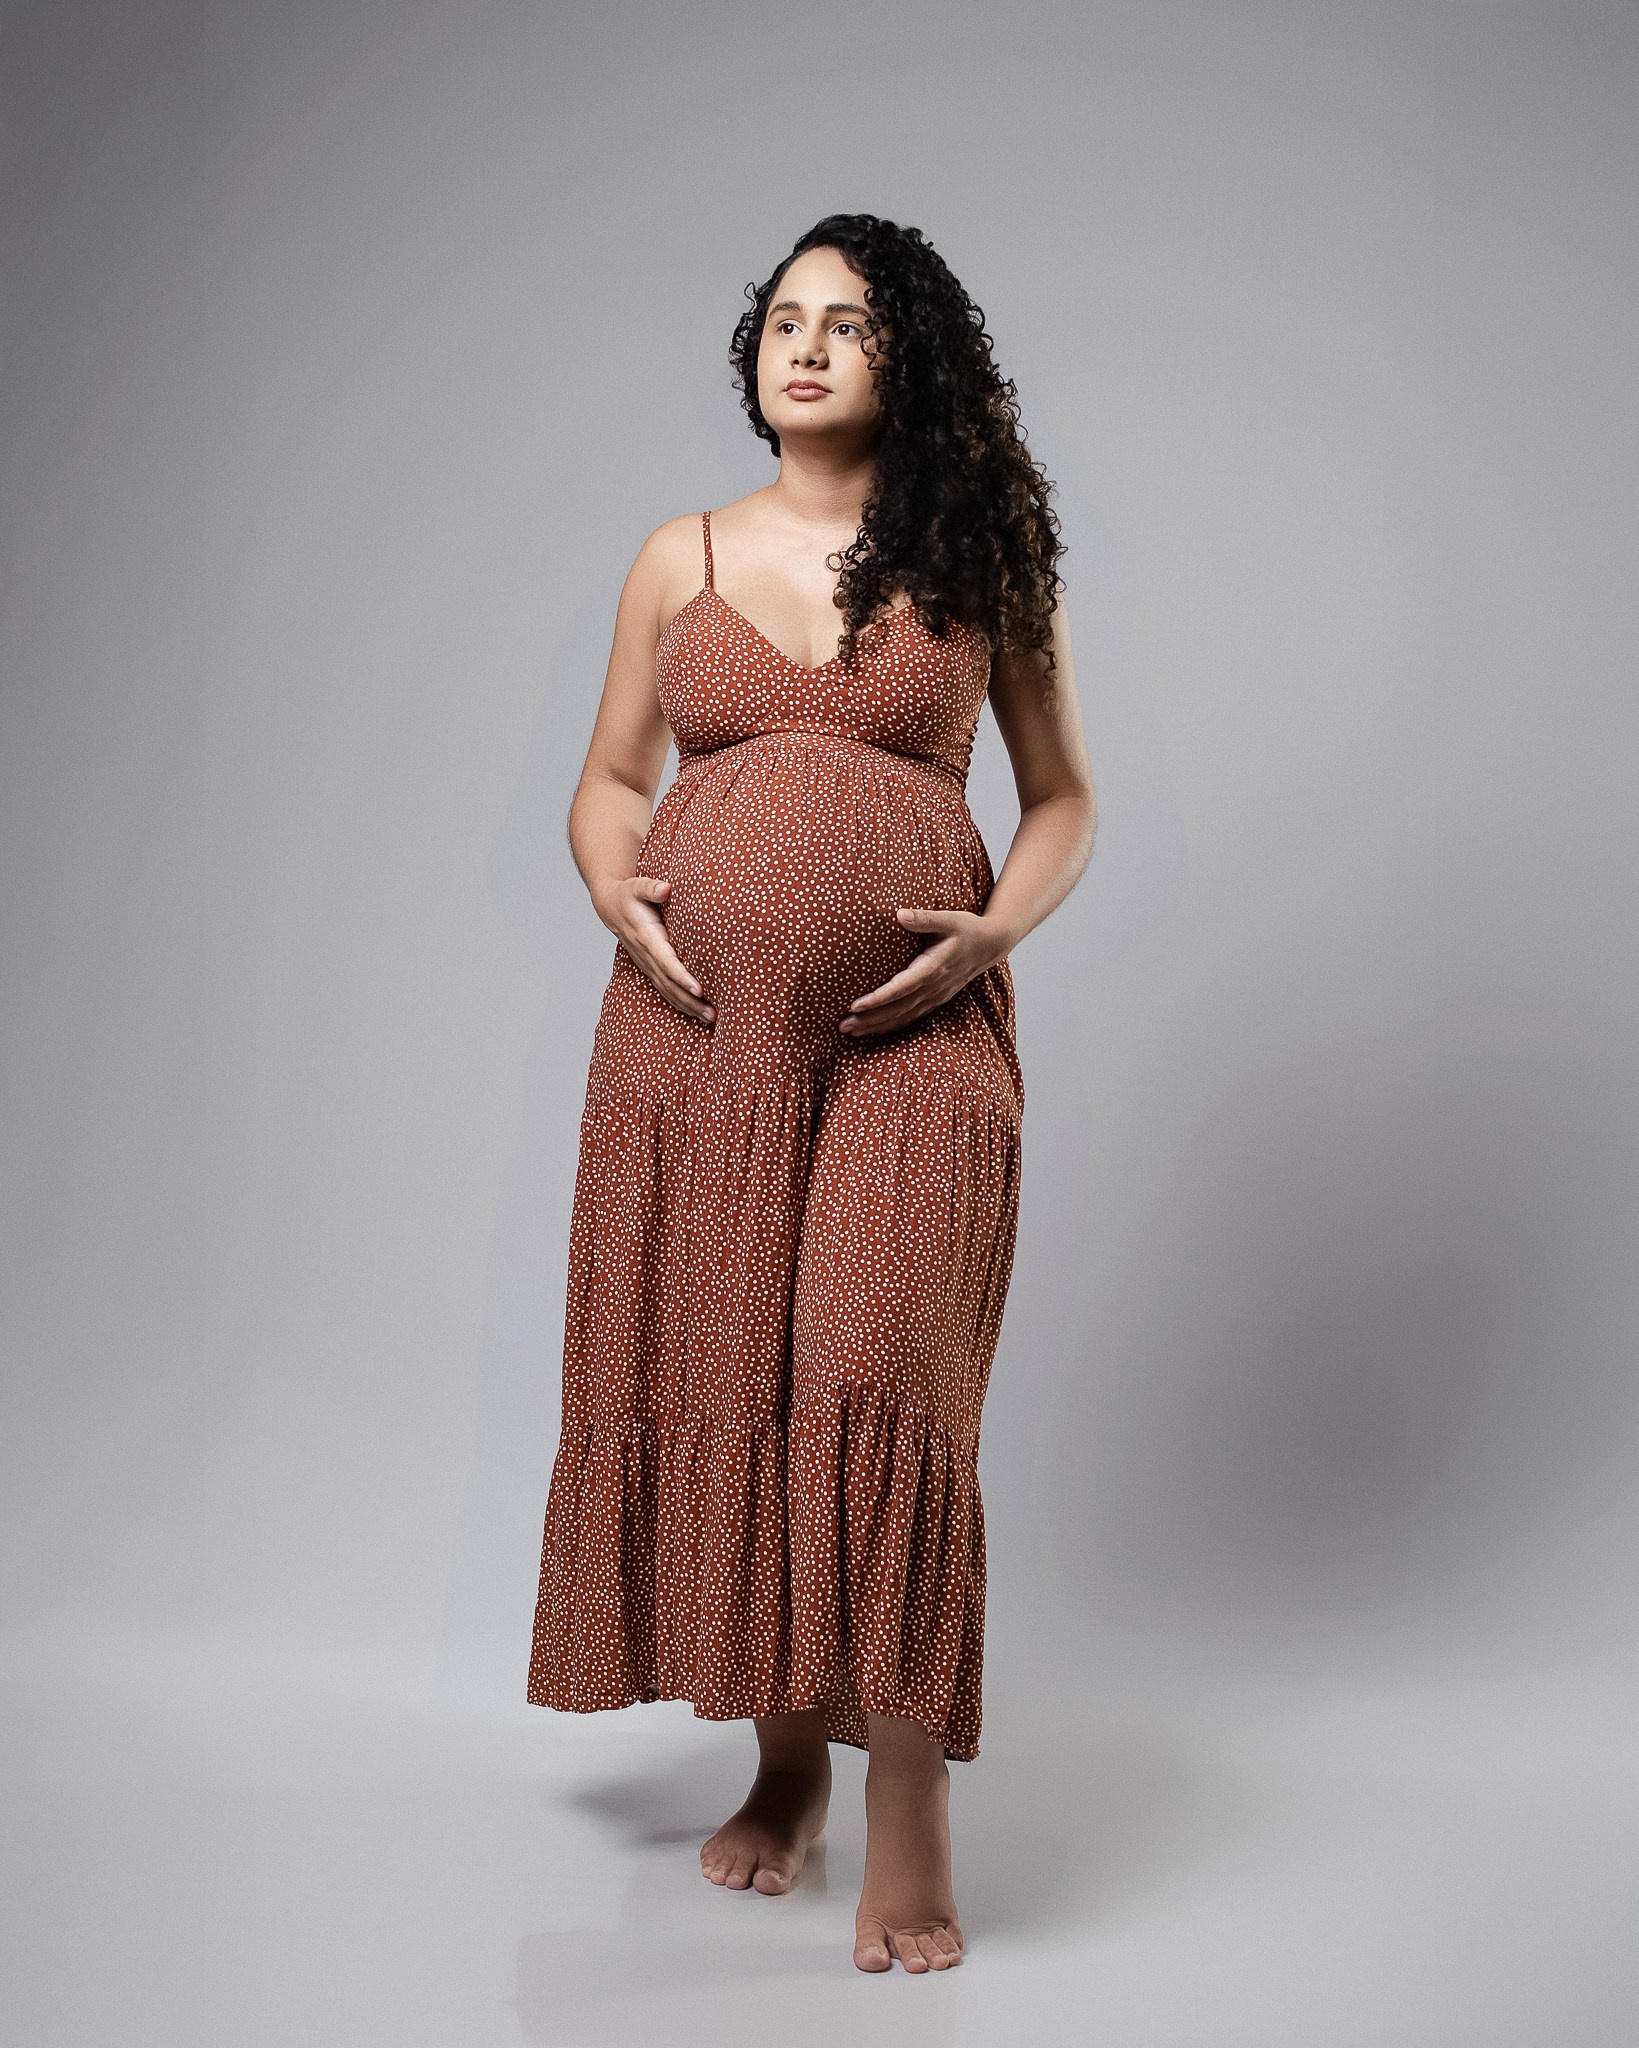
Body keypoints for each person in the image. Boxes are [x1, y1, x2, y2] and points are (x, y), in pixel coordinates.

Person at [527, 213, 1095, 1974]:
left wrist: (993, 928)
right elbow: (609, 778)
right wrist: (613, 882)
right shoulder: (678, 556)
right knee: (740, 1379)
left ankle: (908, 1808)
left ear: (908, 359)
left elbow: (1064, 797)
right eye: (786, 317)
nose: (809, 345)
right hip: (695, 1045)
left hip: (915, 1038)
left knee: (873, 1375)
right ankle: (785, 1767)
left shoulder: (978, 560)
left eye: (849, 322)